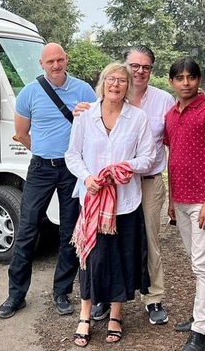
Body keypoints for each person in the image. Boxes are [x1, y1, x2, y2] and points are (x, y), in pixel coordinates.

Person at [0, 43, 97, 319]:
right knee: (27, 229)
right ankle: (16, 295)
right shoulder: (29, 92)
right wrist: (45, 151)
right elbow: (21, 132)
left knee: (69, 232)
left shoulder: (84, 90)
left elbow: (96, 126)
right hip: (41, 167)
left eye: (60, 59)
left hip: (72, 170)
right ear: (41, 63)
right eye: (50, 61)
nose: (56, 65)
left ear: (66, 60)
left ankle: (61, 292)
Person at [76, 46, 175, 324]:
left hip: (146, 182)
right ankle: (104, 298)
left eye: (146, 66)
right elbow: (75, 150)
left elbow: (169, 144)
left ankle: (153, 298)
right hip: (102, 189)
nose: (139, 71)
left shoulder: (162, 101)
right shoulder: (91, 110)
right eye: (134, 65)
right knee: (105, 244)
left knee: (147, 242)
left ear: (151, 71)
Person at [65, 62, 155, 346]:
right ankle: (85, 314)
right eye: (111, 80)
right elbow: (72, 155)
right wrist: (88, 176)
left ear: (128, 86)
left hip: (125, 203)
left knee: (122, 260)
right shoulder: (85, 116)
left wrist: (124, 167)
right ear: (102, 83)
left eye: (122, 81)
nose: (115, 85)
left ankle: (116, 314)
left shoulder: (138, 118)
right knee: (91, 259)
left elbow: (148, 158)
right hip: (92, 201)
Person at [163, 57, 205, 351]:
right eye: (179, 78)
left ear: (199, 80)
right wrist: (172, 199)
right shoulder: (171, 115)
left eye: (191, 77)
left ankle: (201, 330)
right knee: (196, 261)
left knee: (203, 264)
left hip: (203, 199)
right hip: (182, 199)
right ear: (171, 81)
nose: (185, 83)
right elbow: (172, 159)